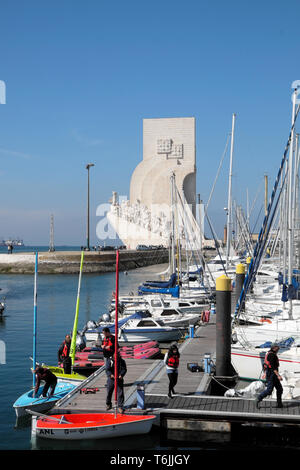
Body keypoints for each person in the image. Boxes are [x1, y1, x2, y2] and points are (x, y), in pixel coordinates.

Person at [256, 343, 283, 409]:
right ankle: (258, 399)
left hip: (271, 374)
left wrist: (265, 373)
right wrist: (278, 376)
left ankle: (279, 404)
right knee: (269, 390)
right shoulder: (271, 355)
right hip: (271, 374)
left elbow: (266, 364)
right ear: (274, 347)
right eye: (277, 347)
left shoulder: (271, 353)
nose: (279, 348)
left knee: (279, 389)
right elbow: (273, 367)